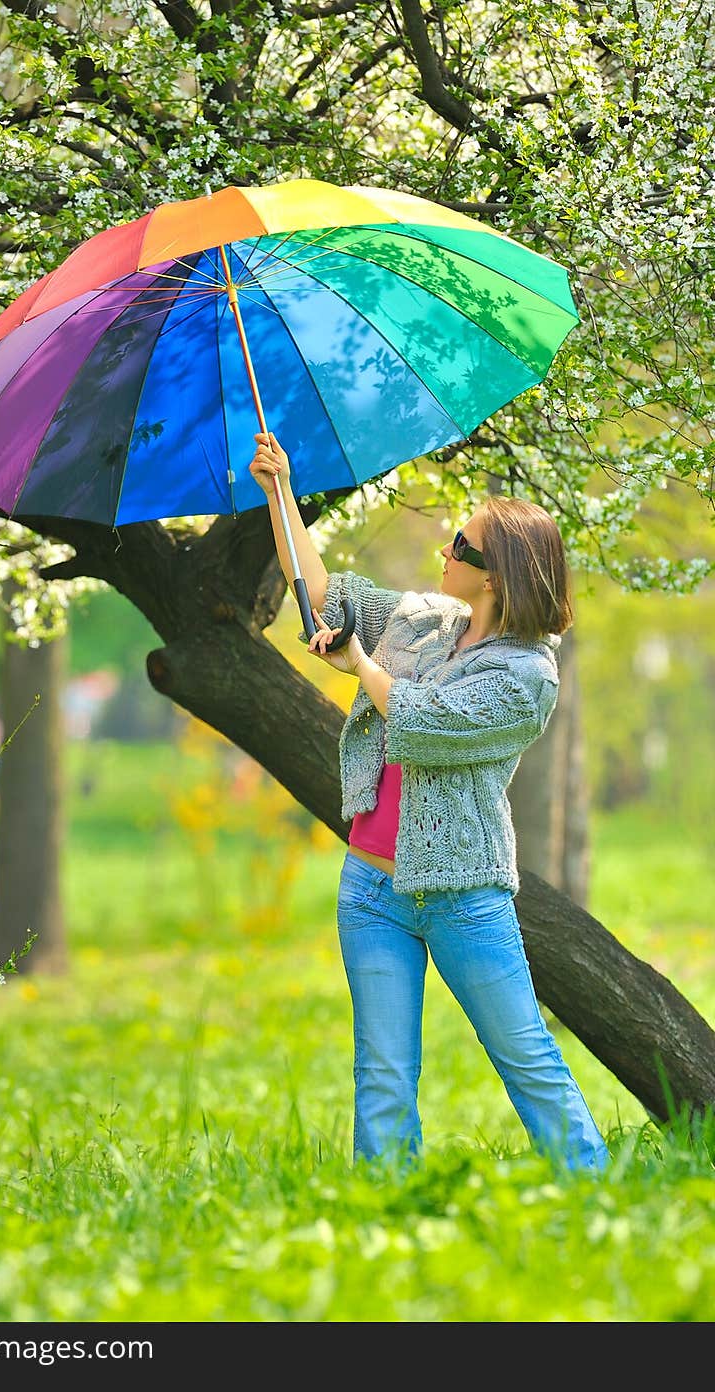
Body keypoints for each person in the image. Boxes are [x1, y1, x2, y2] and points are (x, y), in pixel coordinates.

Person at [249, 430, 609, 1174]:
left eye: (463, 548)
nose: (446, 552)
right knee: (381, 1072)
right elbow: (323, 595)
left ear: (497, 578)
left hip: (463, 896)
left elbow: (424, 725)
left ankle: (594, 1188)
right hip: (370, 888)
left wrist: (359, 665)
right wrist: (280, 493)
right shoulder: (424, 621)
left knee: (524, 1058)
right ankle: (385, 1210)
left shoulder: (527, 677)